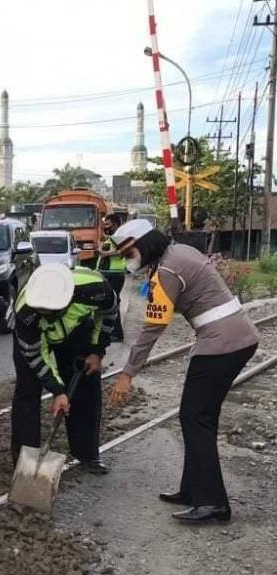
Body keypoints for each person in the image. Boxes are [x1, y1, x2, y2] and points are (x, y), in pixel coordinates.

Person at [108, 219, 259, 524]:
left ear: (145, 243)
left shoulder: (166, 270)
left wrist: (127, 374)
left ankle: (213, 504)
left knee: (195, 418)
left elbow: (153, 328)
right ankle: (193, 490)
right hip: (235, 338)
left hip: (222, 344)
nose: (128, 259)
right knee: (196, 418)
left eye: (129, 252)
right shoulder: (179, 252)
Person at [11, 264, 119, 474]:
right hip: (37, 339)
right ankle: (24, 463)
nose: (44, 313)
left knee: (85, 384)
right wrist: (58, 391)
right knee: (27, 391)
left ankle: (87, 453)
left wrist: (97, 350)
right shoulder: (25, 312)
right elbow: (35, 356)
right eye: (40, 310)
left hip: (76, 328)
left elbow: (109, 313)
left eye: (49, 311)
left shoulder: (95, 289)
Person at [95, 213, 126, 342]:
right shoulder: (111, 237)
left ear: (115, 224)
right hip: (108, 273)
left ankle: (117, 333)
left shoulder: (119, 236)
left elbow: (122, 251)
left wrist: (105, 253)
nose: (105, 226)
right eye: (104, 224)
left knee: (113, 303)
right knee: (111, 302)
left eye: (108, 224)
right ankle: (113, 331)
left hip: (115, 274)